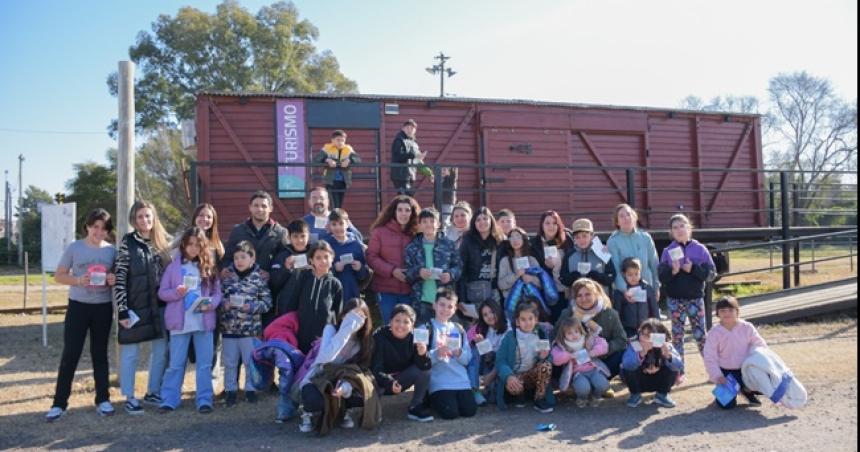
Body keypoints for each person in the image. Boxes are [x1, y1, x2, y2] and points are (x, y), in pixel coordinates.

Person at [45, 209, 118, 422]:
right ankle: (59, 404)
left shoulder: (112, 252)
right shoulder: (74, 248)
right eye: (95, 226)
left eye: (104, 228)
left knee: (100, 354)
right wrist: (78, 281)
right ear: (87, 226)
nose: (99, 231)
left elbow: (117, 277)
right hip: (78, 306)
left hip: (103, 307)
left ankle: (103, 400)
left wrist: (112, 279)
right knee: (71, 354)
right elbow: (58, 276)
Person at [115, 200, 172, 414]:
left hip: (160, 307)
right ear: (134, 219)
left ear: (154, 217)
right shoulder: (127, 242)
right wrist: (121, 309)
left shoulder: (163, 243)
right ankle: (129, 396)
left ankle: (153, 391)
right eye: (140, 216)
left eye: (148, 216)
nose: (145, 220)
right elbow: (120, 277)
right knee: (130, 353)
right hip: (135, 307)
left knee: (161, 351)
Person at [157, 227, 221, 414]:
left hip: (204, 323)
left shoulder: (209, 268)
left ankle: (204, 399)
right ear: (184, 245)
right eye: (190, 244)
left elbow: (217, 293)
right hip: (180, 324)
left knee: (204, 364)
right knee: (176, 363)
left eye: (197, 245)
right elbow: (162, 293)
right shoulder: (173, 267)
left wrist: (212, 304)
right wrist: (177, 292)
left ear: (203, 247)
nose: (193, 248)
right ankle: (169, 399)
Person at [298, 298, 380, 435]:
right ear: (343, 316)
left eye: (360, 316)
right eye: (351, 315)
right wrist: (346, 330)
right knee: (314, 399)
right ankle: (308, 413)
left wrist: (345, 387)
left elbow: (356, 372)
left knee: (363, 393)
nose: (355, 320)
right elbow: (326, 358)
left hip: (343, 380)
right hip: (319, 377)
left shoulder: (364, 342)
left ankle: (343, 411)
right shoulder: (331, 329)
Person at [658, 213, 715, 383]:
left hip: (695, 300)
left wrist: (694, 269)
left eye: (682, 226)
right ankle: (678, 372)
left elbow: (711, 274)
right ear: (671, 232)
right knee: (677, 336)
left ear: (689, 228)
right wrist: (673, 271)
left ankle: (712, 370)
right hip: (675, 300)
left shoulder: (700, 249)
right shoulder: (667, 252)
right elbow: (661, 276)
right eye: (675, 227)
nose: (679, 230)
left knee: (701, 336)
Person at [219, 240, 272, 406]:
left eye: (243, 257)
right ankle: (230, 391)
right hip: (229, 329)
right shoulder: (227, 279)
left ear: (252, 259)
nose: (239, 261)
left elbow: (267, 302)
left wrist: (253, 307)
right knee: (229, 362)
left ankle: (250, 389)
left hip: (250, 330)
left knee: (250, 361)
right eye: (236, 258)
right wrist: (223, 305)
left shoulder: (258, 279)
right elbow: (217, 299)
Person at [558, 278, 627, 394]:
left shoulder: (610, 314)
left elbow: (621, 340)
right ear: (574, 298)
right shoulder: (567, 314)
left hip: (602, 358)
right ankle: (575, 382)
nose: (583, 299)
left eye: (587, 294)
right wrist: (569, 353)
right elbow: (555, 337)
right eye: (579, 295)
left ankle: (600, 383)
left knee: (621, 354)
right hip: (575, 361)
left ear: (596, 294)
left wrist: (601, 349)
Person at [371, 304, 435, 422]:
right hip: (381, 380)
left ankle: (415, 406)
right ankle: (372, 408)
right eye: (397, 320)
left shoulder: (415, 338)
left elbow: (424, 366)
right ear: (390, 321)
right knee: (371, 385)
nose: (401, 325)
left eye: (406, 322)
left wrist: (422, 354)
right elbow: (375, 368)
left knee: (425, 371)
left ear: (412, 325)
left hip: (401, 379)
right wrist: (389, 382)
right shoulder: (379, 337)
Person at [280, 241, 344, 354]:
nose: (323, 261)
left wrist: (334, 335)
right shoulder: (303, 279)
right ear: (311, 260)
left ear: (332, 258)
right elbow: (291, 305)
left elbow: (338, 314)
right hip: (301, 335)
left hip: (323, 338)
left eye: (326, 257)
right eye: (318, 258)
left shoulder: (335, 284)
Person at [703, 296, 766, 409]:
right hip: (726, 372)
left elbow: (760, 345)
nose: (727, 313)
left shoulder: (747, 327)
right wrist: (718, 376)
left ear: (737, 311)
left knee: (766, 383)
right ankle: (729, 390)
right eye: (723, 311)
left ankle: (747, 391)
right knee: (726, 405)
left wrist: (759, 367)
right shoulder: (714, 332)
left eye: (731, 310)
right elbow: (709, 356)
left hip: (747, 369)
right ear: (717, 313)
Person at [425, 288, 478, 420]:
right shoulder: (426, 328)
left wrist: (459, 353)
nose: (445, 309)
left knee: (469, 411)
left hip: (461, 381)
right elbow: (421, 360)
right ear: (434, 305)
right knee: (450, 414)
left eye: (450, 306)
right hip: (439, 382)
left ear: (454, 309)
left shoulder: (459, 329)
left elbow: (467, 360)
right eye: (442, 305)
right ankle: (429, 398)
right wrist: (437, 353)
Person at [404, 207, 462, 324]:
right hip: (421, 302)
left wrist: (450, 275)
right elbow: (407, 273)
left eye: (432, 221)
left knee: (444, 337)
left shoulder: (448, 245)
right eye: (424, 222)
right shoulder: (412, 247)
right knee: (423, 337)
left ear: (438, 223)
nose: (428, 224)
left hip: (445, 302)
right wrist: (418, 272)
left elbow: (458, 267)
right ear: (419, 225)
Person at [366, 195, 420, 324]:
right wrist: (392, 271)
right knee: (390, 326)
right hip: (386, 290)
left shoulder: (417, 233)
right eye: (400, 210)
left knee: (408, 327)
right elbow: (371, 257)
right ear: (393, 212)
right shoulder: (379, 232)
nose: (403, 214)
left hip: (409, 290)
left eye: (407, 210)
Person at [494, 302, 555, 413]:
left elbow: (550, 358)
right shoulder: (510, 336)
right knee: (515, 387)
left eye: (530, 318)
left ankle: (539, 398)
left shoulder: (541, 334)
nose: (527, 323)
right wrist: (508, 376)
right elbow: (500, 361)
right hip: (516, 376)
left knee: (546, 365)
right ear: (517, 321)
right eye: (523, 319)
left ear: (536, 319)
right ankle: (519, 395)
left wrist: (543, 358)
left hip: (533, 375)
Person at [221, 190, 288, 278]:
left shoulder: (281, 233)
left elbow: (283, 261)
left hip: (270, 286)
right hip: (241, 285)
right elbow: (228, 257)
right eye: (256, 205)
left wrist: (271, 274)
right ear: (250, 207)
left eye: (264, 206)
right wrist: (225, 268)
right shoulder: (237, 231)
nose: (259, 209)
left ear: (270, 208)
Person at [253, 311, 305, 422]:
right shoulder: (288, 331)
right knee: (287, 383)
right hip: (282, 349)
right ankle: (284, 412)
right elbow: (286, 369)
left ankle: (284, 411)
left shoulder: (271, 333)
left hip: (272, 348)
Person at [621, 318, 683, 408]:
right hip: (639, 380)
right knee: (626, 367)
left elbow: (679, 366)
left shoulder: (665, 345)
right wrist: (641, 353)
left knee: (672, 366)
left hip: (659, 380)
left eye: (649, 335)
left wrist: (668, 355)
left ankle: (662, 395)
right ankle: (635, 394)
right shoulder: (635, 343)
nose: (645, 338)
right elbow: (627, 364)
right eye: (642, 333)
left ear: (658, 335)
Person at [607, 204, 660, 309]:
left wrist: (656, 287)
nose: (626, 218)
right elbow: (616, 269)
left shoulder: (645, 237)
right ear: (617, 222)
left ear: (635, 217)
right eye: (621, 216)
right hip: (627, 293)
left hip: (646, 289)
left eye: (628, 214)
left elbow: (654, 264)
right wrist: (625, 290)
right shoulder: (613, 241)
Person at [551, 317, 610, 407]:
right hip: (578, 373)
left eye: (576, 331)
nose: (574, 335)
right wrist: (569, 355)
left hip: (593, 369)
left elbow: (603, 345)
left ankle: (596, 396)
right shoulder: (562, 345)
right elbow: (555, 358)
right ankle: (582, 398)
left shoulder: (587, 339)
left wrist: (593, 352)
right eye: (569, 333)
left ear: (581, 331)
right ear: (563, 335)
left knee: (603, 385)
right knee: (583, 388)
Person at [458, 207, 504, 321]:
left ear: (491, 221)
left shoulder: (500, 241)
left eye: (485, 218)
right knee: (475, 327)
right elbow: (461, 271)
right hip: (473, 292)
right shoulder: (468, 241)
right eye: (478, 220)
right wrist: (462, 299)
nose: (482, 222)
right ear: (474, 223)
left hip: (494, 292)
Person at [530, 210, 575, 324]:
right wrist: (546, 267)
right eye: (547, 223)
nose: (551, 226)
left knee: (567, 322)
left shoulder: (567, 238)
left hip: (566, 289)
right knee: (551, 322)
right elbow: (534, 269)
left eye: (555, 223)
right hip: (547, 290)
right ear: (542, 225)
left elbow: (584, 242)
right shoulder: (535, 244)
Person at [466, 300, 510, 407]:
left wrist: (491, 375)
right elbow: (466, 341)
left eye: (491, 312)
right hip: (485, 362)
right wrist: (476, 342)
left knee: (492, 398)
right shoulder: (481, 327)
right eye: (485, 315)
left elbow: (503, 357)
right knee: (473, 350)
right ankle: (475, 389)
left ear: (498, 310)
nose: (489, 316)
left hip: (501, 365)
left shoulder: (508, 328)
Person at [558, 218, 615, 296]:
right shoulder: (569, 255)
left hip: (600, 300)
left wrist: (596, 275)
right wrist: (574, 276)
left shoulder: (602, 252)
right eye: (577, 237)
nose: (581, 240)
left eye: (584, 236)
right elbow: (563, 278)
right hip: (577, 302)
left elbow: (611, 276)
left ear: (592, 236)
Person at [324, 209, 369, 304]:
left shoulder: (356, 245)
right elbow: (319, 269)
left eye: (341, 223)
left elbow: (363, 276)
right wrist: (334, 268)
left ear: (347, 224)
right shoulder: (326, 244)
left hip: (352, 291)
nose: (338, 227)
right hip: (331, 291)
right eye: (334, 224)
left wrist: (360, 268)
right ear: (330, 226)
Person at [269, 219, 311, 310]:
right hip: (287, 306)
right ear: (289, 238)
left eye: (303, 236)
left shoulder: (315, 255)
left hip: (310, 305)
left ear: (309, 237)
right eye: (295, 236)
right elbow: (274, 284)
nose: (299, 240)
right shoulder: (281, 256)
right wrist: (286, 269)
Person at [314, 130, 361, 209]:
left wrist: (349, 160)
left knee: (339, 203)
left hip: (343, 181)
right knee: (333, 204)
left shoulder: (348, 149)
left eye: (342, 140)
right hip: (330, 181)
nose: (340, 142)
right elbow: (316, 160)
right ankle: (335, 217)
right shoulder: (326, 149)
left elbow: (358, 159)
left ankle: (336, 217)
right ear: (332, 140)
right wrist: (327, 160)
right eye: (338, 140)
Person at [613, 258, 659, 339]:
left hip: (646, 328)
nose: (634, 277)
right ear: (624, 274)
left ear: (640, 273)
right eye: (630, 275)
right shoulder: (620, 292)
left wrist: (657, 325)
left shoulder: (647, 288)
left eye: (636, 274)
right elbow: (617, 312)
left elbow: (654, 309)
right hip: (628, 329)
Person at [496, 226, 541, 300]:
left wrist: (531, 279)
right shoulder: (505, 261)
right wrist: (516, 275)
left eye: (518, 236)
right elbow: (501, 285)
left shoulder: (532, 260)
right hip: (511, 302)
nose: (515, 240)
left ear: (524, 239)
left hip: (531, 301)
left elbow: (542, 283)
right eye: (512, 237)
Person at [390, 119, 427, 197]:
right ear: (403, 128)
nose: (410, 130)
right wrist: (413, 155)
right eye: (408, 128)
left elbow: (417, 161)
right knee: (406, 198)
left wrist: (429, 173)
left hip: (409, 175)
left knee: (405, 199)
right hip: (400, 175)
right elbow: (397, 156)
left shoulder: (413, 142)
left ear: (415, 130)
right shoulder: (399, 140)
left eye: (412, 128)